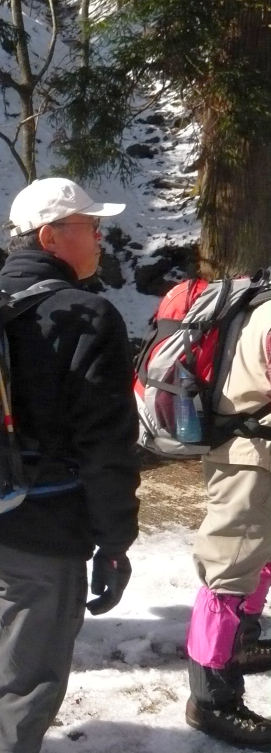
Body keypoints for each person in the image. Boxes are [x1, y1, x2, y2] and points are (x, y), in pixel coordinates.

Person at [0, 177, 140, 753]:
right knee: (25, 688)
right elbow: (105, 447)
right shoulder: (87, 317)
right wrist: (114, 541)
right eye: (91, 228)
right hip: (38, 537)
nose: (101, 241)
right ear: (50, 236)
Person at [184, 297, 271, 748]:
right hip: (247, 460)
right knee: (227, 577)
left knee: (258, 560)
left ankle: (242, 644)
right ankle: (211, 700)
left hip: (258, 455)